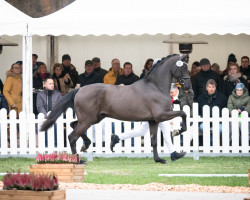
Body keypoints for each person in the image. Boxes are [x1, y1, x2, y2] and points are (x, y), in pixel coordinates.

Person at [110, 83, 189, 163]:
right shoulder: (161, 92)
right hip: (153, 115)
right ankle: (173, 154)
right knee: (144, 131)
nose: (170, 94)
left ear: (176, 90)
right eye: (170, 93)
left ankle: (173, 153)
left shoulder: (171, 93)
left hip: (159, 115)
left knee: (159, 131)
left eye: (171, 93)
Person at [197, 79, 227, 145]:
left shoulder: (222, 98)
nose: (211, 89)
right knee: (202, 127)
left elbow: (225, 110)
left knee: (220, 129)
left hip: (218, 122)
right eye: (209, 87)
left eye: (213, 87)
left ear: (215, 88)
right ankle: (211, 142)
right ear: (206, 88)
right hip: (205, 122)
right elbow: (198, 111)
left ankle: (215, 143)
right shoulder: (200, 98)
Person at [36, 78, 62, 147]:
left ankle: (56, 145)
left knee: (56, 128)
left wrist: (53, 115)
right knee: (44, 127)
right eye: (50, 84)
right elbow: (40, 106)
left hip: (55, 118)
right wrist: (46, 116)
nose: (52, 85)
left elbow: (60, 106)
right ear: (44, 85)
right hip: (44, 117)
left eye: (52, 83)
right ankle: (46, 145)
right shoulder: (40, 95)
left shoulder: (58, 94)